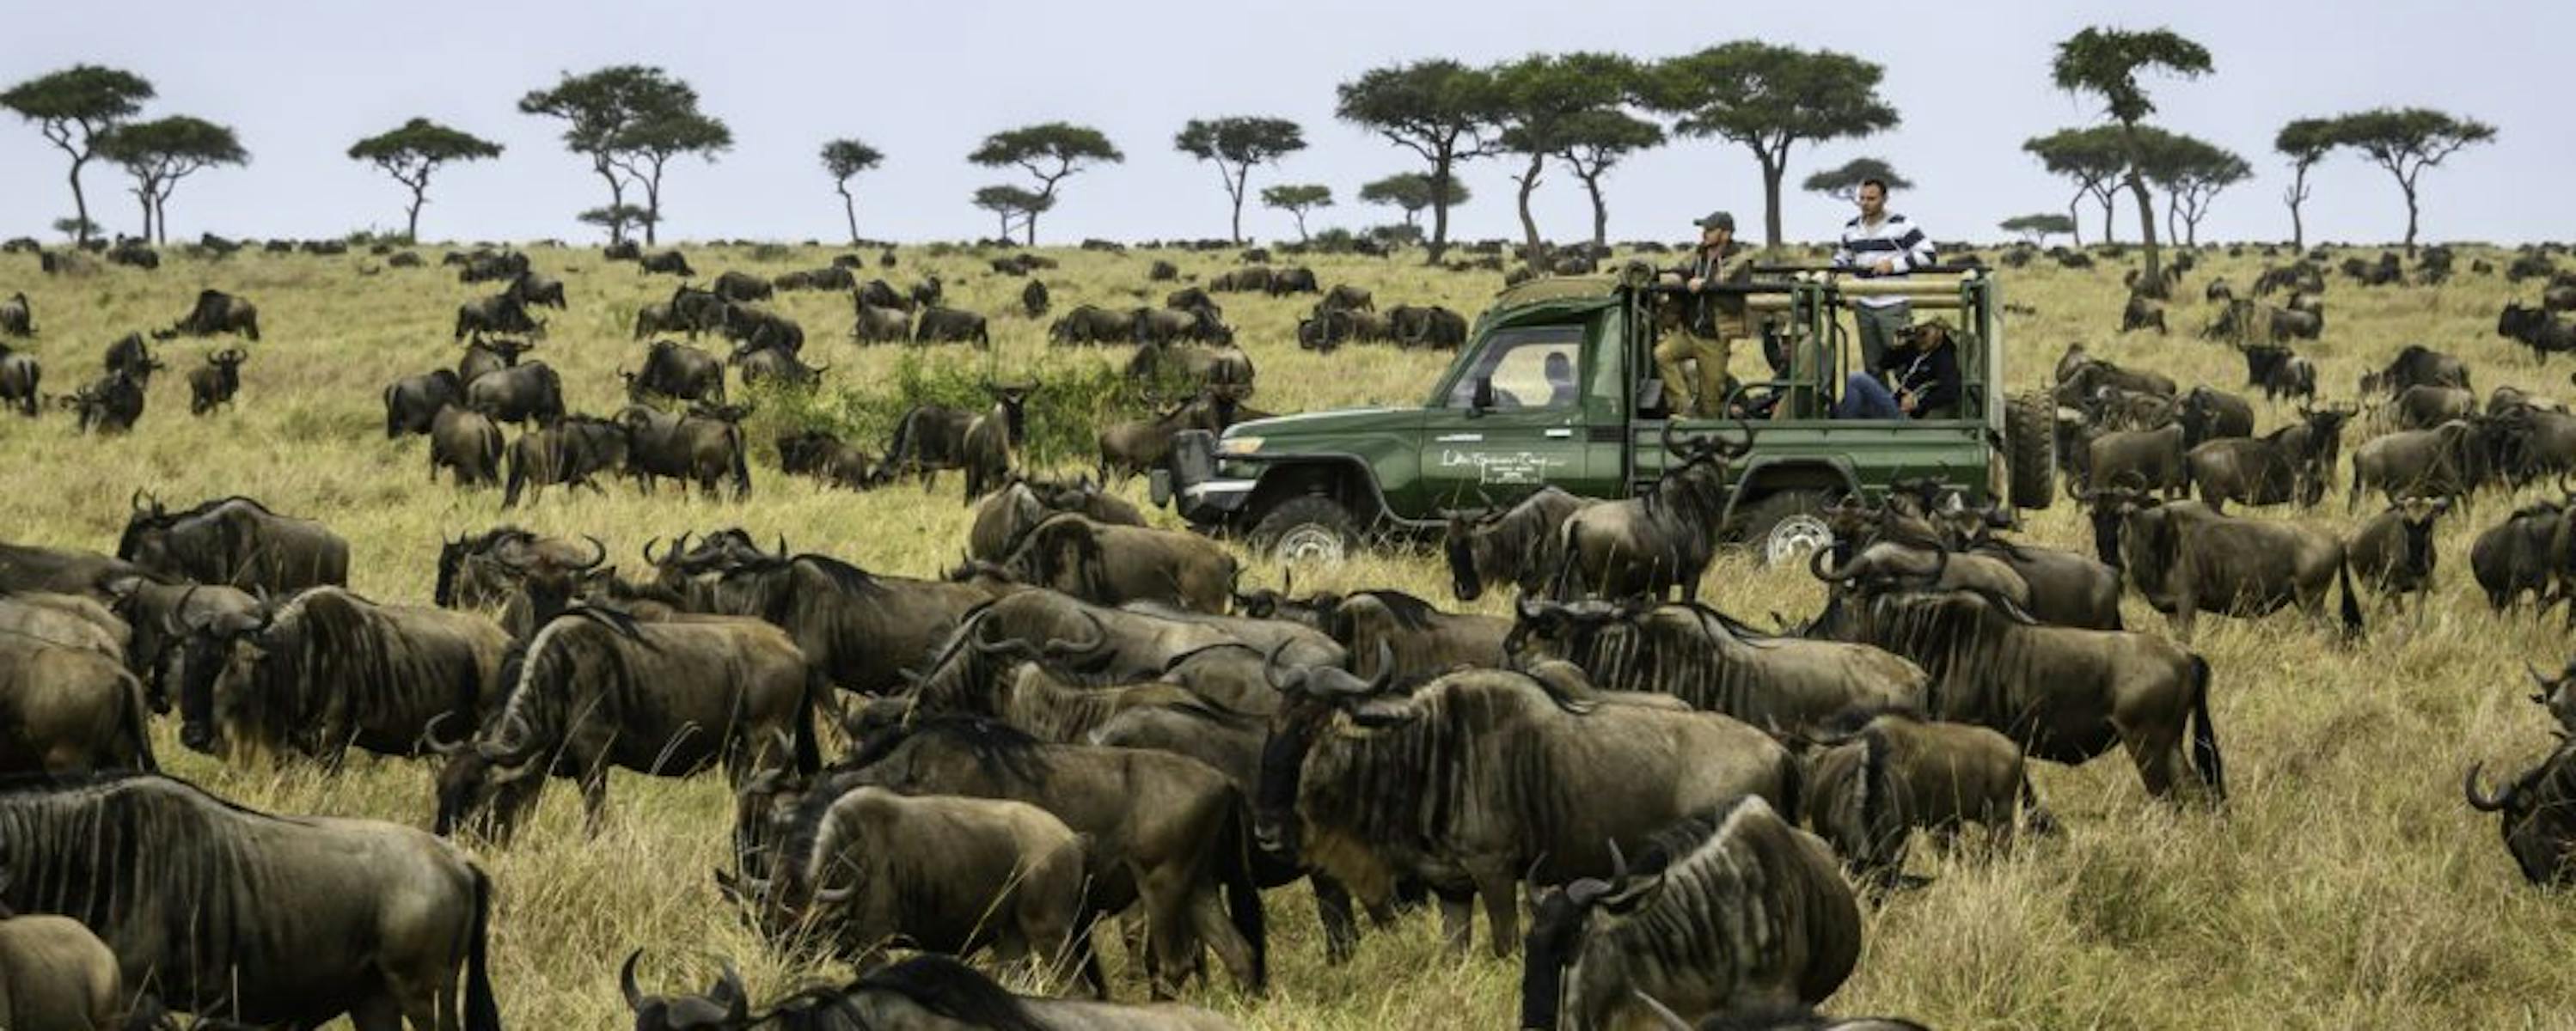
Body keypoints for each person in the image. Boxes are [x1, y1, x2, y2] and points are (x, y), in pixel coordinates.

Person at [1654, 210, 1759, 417]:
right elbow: (1679, 272)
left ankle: (1708, 434)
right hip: (1690, 332)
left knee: (1711, 402)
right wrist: (1676, 280)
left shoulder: (1739, 264)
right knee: (1661, 355)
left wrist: (1707, 287)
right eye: (1705, 229)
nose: (1705, 233)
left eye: (1711, 230)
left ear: (1726, 235)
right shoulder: (1696, 256)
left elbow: (1734, 304)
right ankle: (1684, 409)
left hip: (1714, 339)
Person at [1831, 178, 1936, 376]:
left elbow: (1928, 254)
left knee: (1902, 364)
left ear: (1884, 199)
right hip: (1864, 304)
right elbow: (1843, 256)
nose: (1865, 203)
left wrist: (1893, 265)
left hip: (1894, 303)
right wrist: (1830, 270)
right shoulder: (1851, 227)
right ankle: (1879, 407)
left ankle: (1906, 405)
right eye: (1861, 198)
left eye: (1871, 198)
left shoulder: (1902, 224)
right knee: (1873, 367)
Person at [1835, 321, 1961, 420]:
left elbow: (1950, 391)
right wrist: (1896, 346)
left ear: (1939, 332)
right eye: (1918, 332)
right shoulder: (1915, 347)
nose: (1920, 337)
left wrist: (1918, 402)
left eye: (1924, 333)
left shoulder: (1944, 357)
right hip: (1894, 402)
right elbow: (1884, 364)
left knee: (1857, 379)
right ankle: (1842, 428)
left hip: (1908, 415)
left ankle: (1840, 429)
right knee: (1854, 399)